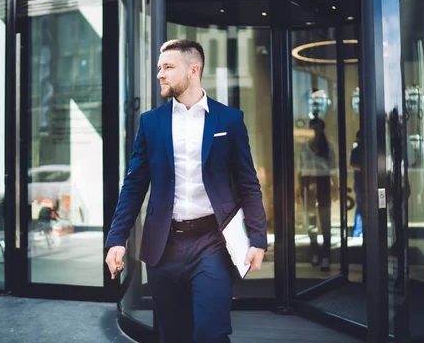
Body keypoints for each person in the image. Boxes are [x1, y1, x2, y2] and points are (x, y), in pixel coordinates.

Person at [104, 39, 267, 343]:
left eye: (168, 67)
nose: (160, 74)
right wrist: (117, 239)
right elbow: (134, 185)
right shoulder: (151, 123)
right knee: (174, 335)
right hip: (164, 246)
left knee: (211, 333)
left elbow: (248, 183)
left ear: (193, 70)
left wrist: (257, 238)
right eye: (159, 68)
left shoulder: (229, 120)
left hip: (212, 243)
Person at [297, 117, 337, 271]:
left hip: (322, 181)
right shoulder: (304, 147)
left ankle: (325, 256)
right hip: (307, 182)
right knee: (311, 218)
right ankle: (315, 253)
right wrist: (297, 187)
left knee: (324, 219)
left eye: (317, 129)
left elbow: (333, 169)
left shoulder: (328, 147)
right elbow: (299, 168)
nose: (315, 132)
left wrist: (337, 187)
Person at [350, 130, 363, 237]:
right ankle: (358, 232)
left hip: (359, 182)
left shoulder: (357, 150)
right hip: (360, 183)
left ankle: (358, 232)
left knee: (361, 207)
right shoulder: (357, 150)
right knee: (361, 207)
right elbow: (353, 165)